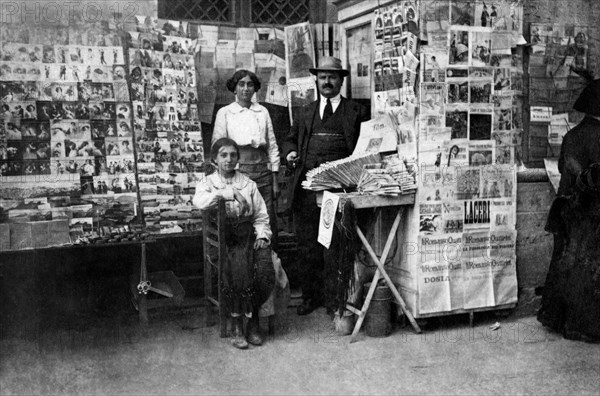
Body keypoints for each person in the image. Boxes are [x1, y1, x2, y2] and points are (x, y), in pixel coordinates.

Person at [282, 56, 370, 316]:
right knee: (308, 244)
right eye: (322, 77)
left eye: (332, 77)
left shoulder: (355, 111)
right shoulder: (305, 111)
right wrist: (289, 153)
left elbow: (365, 146)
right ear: (316, 80)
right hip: (307, 191)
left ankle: (335, 300)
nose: (327, 82)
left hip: (339, 190)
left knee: (335, 245)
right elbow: (289, 140)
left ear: (341, 81)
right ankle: (311, 298)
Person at [193, 138, 275, 350]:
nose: (229, 160)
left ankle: (253, 318)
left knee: (265, 269)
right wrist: (229, 194)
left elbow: (261, 216)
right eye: (223, 155)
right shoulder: (207, 184)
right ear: (215, 159)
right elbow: (200, 202)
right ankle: (238, 323)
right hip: (222, 240)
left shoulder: (248, 184)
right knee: (239, 266)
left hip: (248, 236)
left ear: (238, 158)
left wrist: (262, 236)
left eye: (233, 155)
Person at [538, 76, 600, 342]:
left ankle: (560, 319)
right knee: (590, 271)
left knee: (567, 265)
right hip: (594, 213)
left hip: (572, 211)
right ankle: (585, 326)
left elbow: (566, 173)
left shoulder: (572, 135)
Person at [212, 69, 281, 248]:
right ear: (234, 89)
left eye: (250, 84)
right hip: (237, 173)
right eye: (241, 84)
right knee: (241, 219)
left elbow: (272, 146)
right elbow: (218, 147)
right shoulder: (225, 113)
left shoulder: (262, 111)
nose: (245, 88)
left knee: (266, 220)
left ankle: (267, 265)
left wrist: (274, 181)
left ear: (255, 88)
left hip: (263, 174)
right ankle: (243, 267)